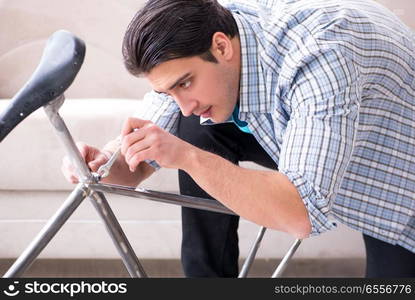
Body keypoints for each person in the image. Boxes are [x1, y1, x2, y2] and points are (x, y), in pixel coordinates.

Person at [62, 0, 415, 277]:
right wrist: (104, 162)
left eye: (184, 83)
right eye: (169, 92)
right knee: (195, 126)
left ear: (221, 48)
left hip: (397, 180)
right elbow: (140, 162)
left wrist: (188, 157)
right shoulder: (204, 30)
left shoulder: (323, 53)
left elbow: (300, 215)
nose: (183, 105)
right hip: (311, 132)